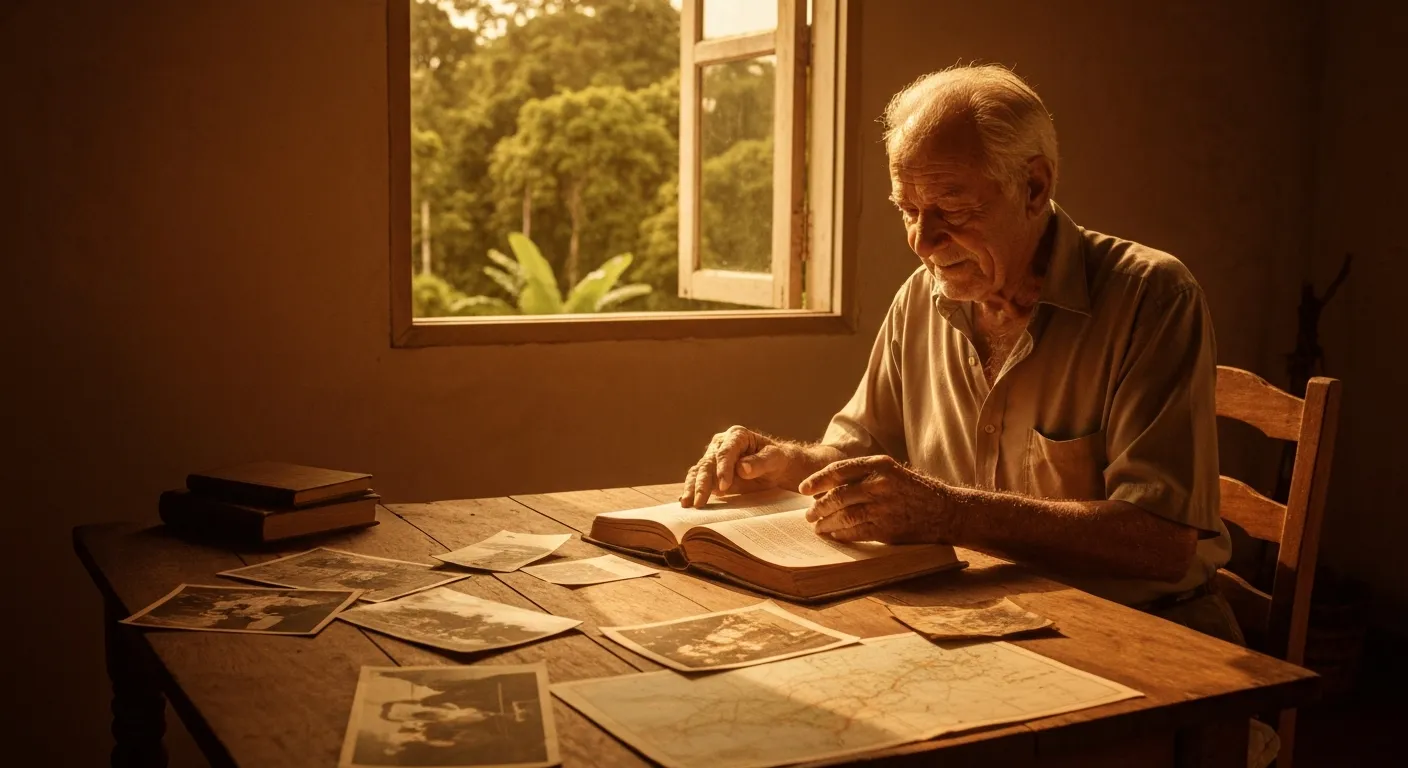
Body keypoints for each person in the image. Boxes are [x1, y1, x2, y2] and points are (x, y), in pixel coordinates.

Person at [680, 63, 1241, 645]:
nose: (922, 240)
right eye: (907, 209)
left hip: (1144, 635)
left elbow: (1161, 542)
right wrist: (782, 462)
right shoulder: (921, 298)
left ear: (1034, 187)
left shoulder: (1151, 296)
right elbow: (856, 453)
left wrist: (949, 513)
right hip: (977, 622)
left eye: (952, 207)